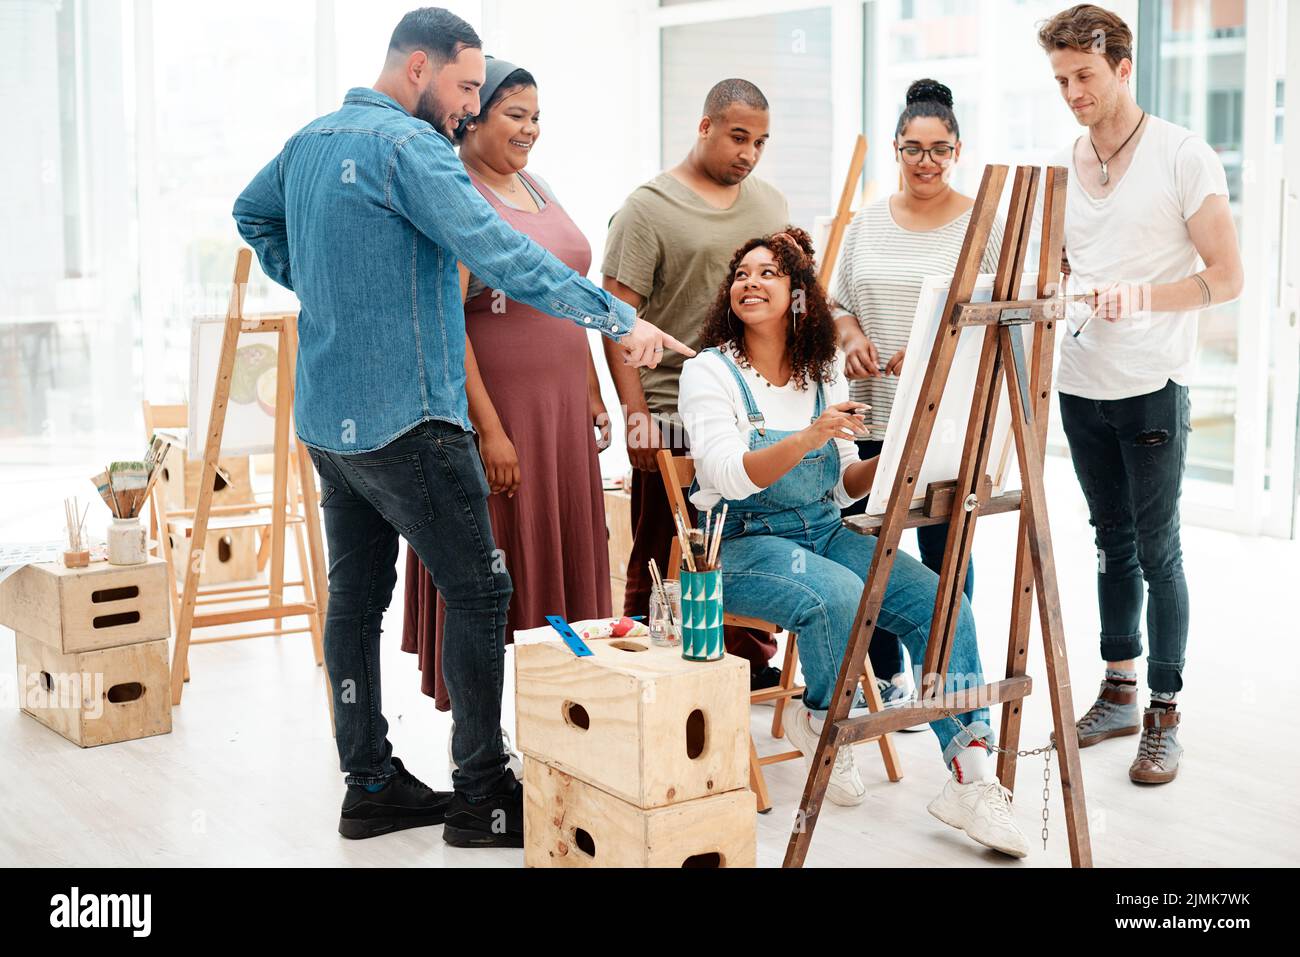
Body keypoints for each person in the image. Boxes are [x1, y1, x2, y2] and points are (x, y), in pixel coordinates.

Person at [232, 7, 692, 849]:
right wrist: (618, 320)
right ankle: (483, 792)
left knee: (357, 602)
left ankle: (368, 782)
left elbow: (251, 213)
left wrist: (323, 289)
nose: (470, 106)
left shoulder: (308, 141)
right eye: (468, 86)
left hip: (333, 426)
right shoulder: (412, 151)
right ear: (418, 68)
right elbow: (500, 250)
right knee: (480, 592)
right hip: (413, 419)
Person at [678, 227, 1029, 858]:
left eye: (768, 274)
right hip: (742, 545)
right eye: (742, 274)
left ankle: (970, 771)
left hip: (824, 529)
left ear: (799, 296)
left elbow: (841, 486)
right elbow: (724, 475)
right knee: (838, 594)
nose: (750, 283)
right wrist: (811, 436)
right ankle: (819, 716)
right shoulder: (711, 373)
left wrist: (898, 453)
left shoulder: (823, 370)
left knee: (939, 602)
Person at [1038, 5, 1242, 784]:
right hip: (1080, 381)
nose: (1073, 92)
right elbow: (1058, 259)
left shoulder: (1184, 156)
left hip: (1153, 383)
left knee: (1159, 549)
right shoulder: (1062, 164)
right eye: (1061, 79)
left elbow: (1227, 277)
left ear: (1124, 68)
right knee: (1109, 539)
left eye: (1084, 76)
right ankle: (1118, 690)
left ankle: (1164, 711)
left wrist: (1144, 298)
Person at [400, 59, 613, 744]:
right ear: (474, 115)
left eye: (535, 116)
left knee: (562, 565)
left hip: (560, 417)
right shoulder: (456, 194)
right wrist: (489, 432)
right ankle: (485, 748)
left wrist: (591, 388)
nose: (530, 129)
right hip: (501, 416)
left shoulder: (536, 185)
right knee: (497, 574)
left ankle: (560, 725)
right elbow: (446, 323)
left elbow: (561, 291)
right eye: (514, 114)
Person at [602, 79, 789, 693]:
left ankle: (745, 661)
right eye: (738, 137)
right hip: (669, 412)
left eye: (760, 141)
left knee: (745, 541)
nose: (749, 153)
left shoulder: (769, 205)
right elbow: (613, 317)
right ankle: (644, 668)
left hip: (748, 409)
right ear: (705, 126)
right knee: (664, 551)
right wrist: (634, 415)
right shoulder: (647, 209)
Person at [831, 78, 1004, 711]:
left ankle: (947, 680)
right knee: (871, 545)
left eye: (939, 149)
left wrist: (932, 353)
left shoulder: (979, 224)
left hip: (946, 418)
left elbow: (991, 315)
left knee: (945, 552)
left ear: (958, 150)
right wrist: (849, 335)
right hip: (871, 408)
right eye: (912, 148)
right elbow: (838, 301)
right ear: (896, 150)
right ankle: (890, 677)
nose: (925, 161)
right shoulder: (867, 223)